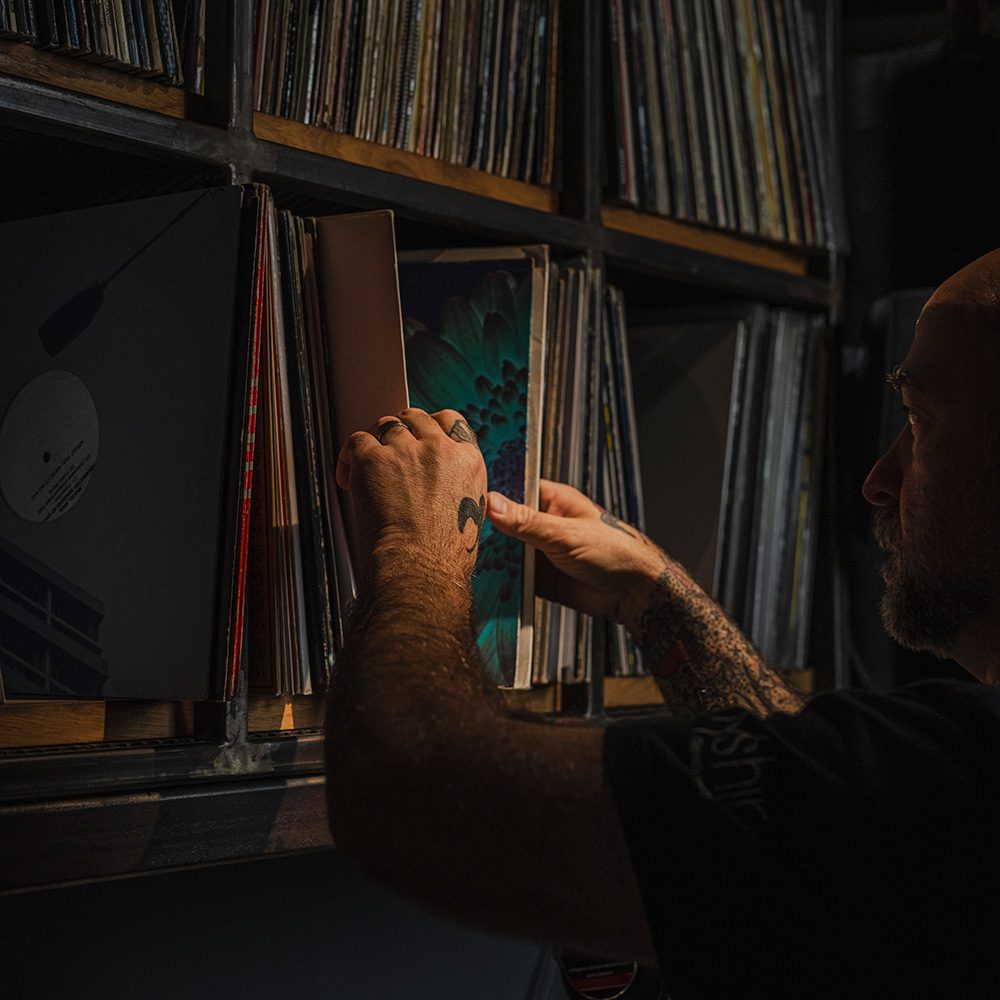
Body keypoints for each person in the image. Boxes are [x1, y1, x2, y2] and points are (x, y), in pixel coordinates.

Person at [325, 249, 1000, 999]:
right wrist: (656, 596)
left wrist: (413, 549)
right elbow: (803, 835)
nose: (878, 480)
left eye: (919, 422)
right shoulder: (940, 796)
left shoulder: (961, 782)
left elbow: (415, 801)